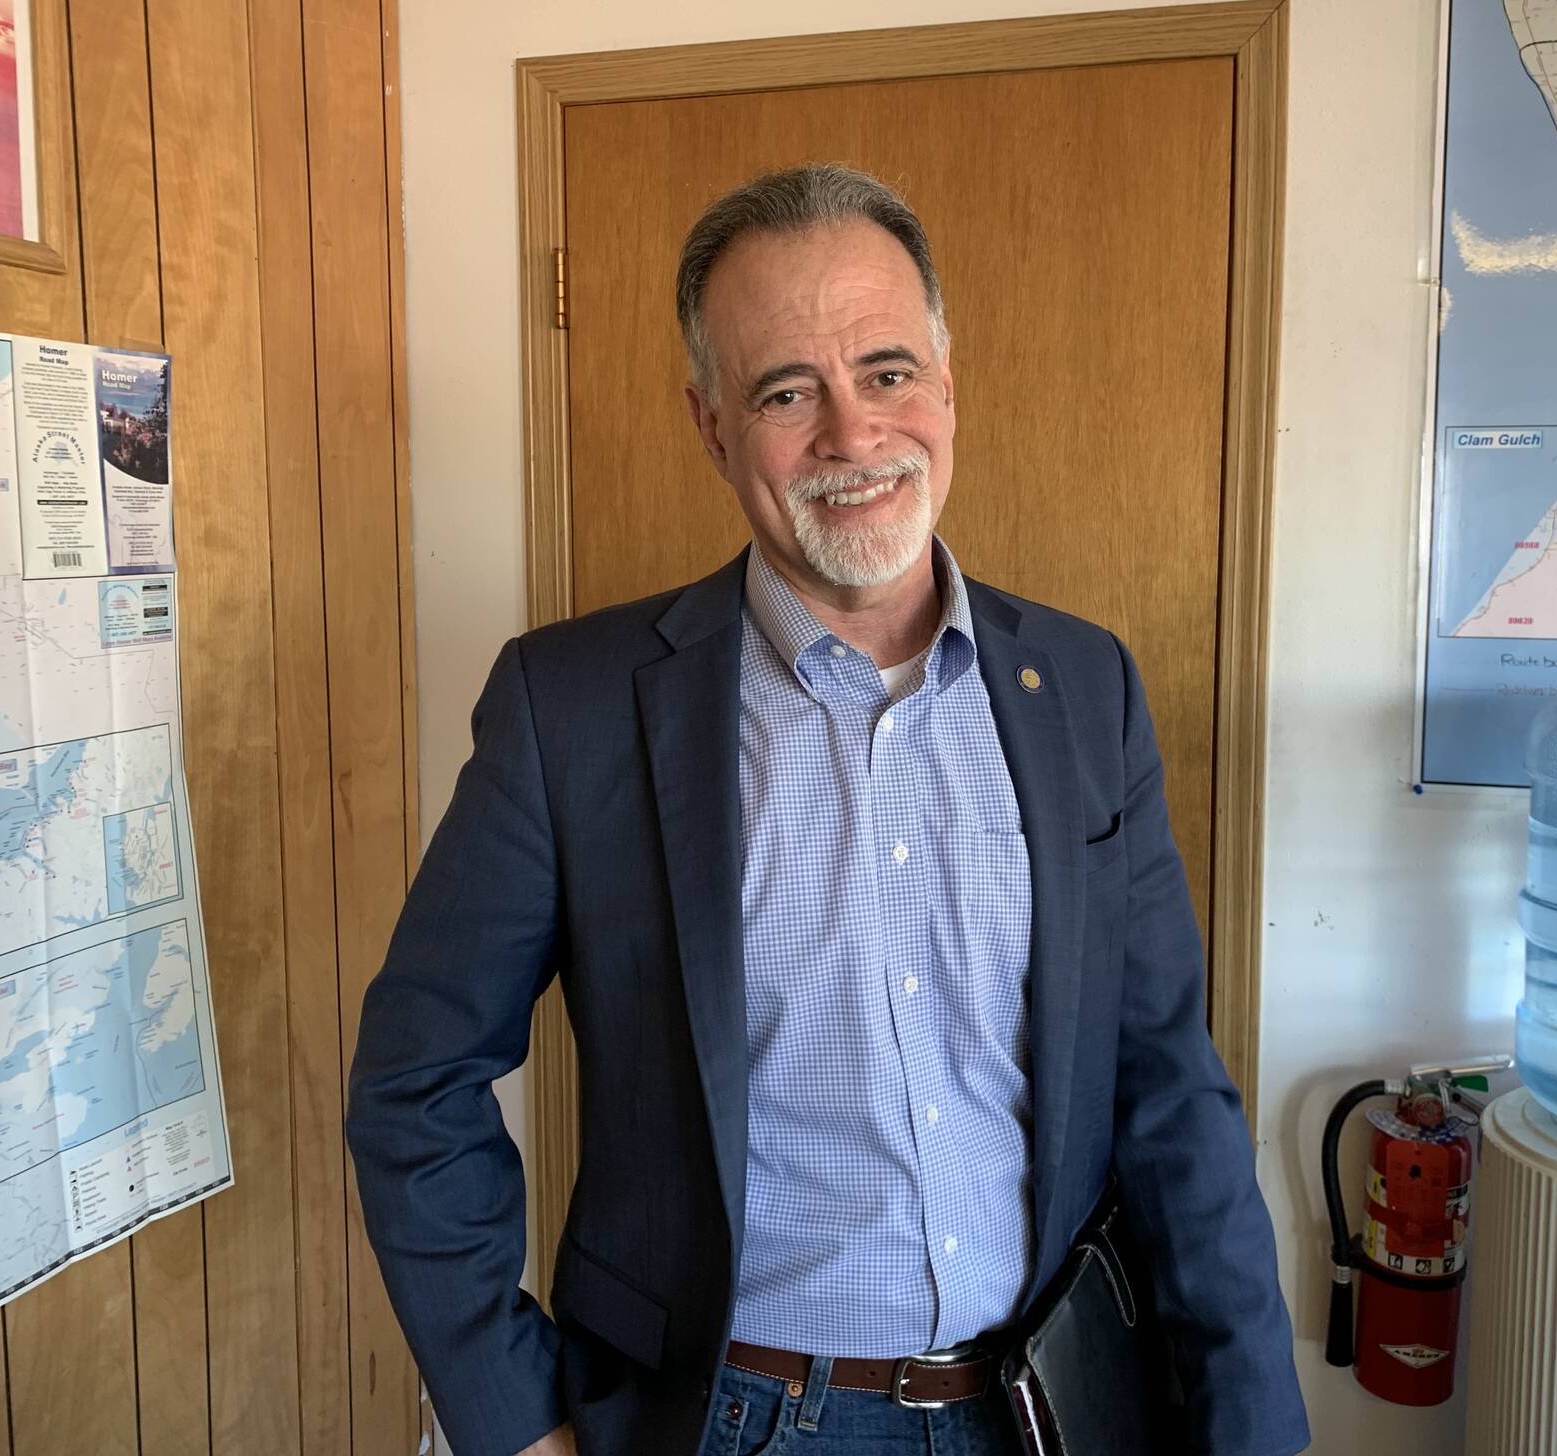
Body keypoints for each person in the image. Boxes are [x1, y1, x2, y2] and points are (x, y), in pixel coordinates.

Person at [346, 164, 1309, 1456]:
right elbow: (416, 1083)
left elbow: (1171, 1094)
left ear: (948, 385)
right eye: (786, 392)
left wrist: (1258, 1431)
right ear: (711, 427)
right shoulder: (568, 712)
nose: (853, 437)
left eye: (888, 371)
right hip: (736, 1421)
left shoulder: (1084, 689)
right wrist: (515, 1423)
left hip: (1053, 1409)